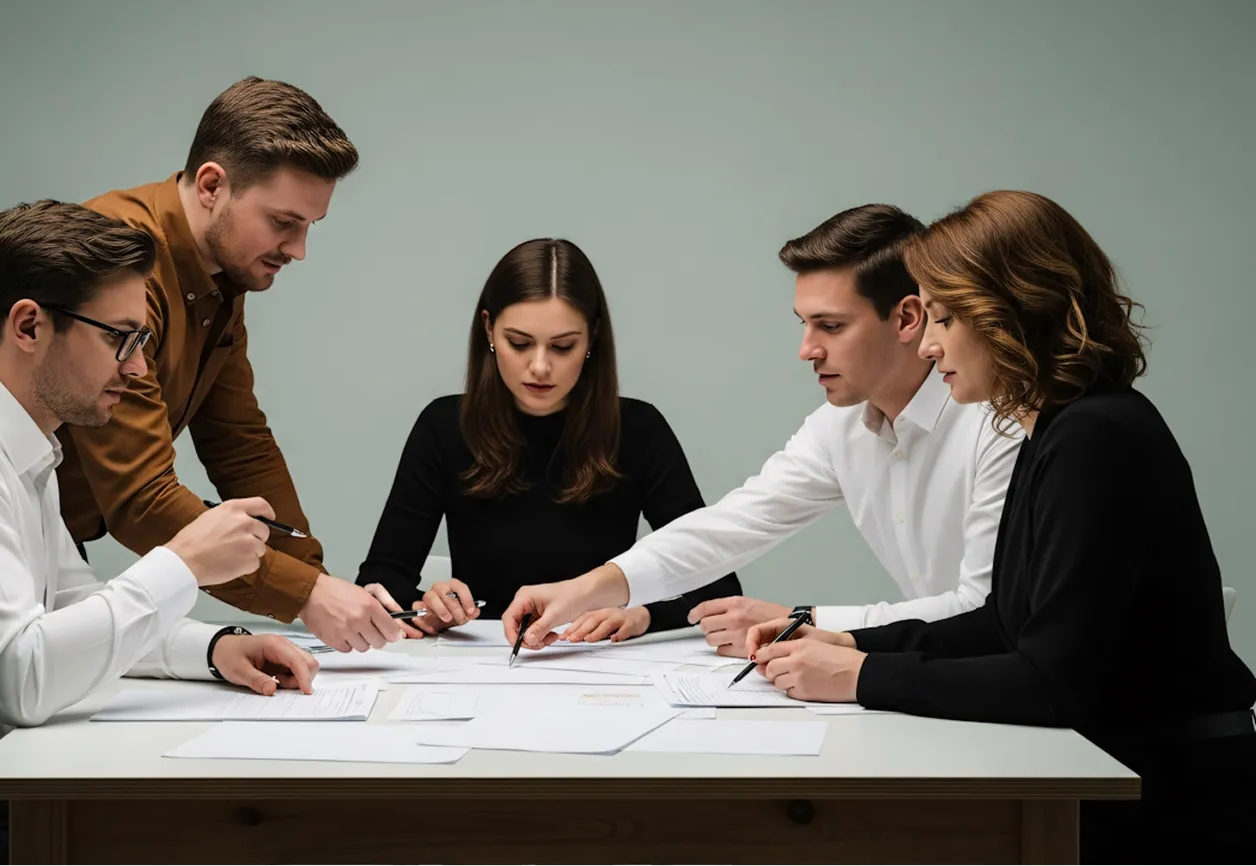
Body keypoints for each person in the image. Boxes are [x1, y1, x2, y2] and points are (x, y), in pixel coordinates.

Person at [741, 190, 1256, 862]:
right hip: (1124, 774)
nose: (927, 343)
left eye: (945, 318)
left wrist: (860, 675)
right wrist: (845, 638)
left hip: (1173, 801)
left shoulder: (1096, 437)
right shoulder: (1057, 427)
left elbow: (1050, 682)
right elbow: (1006, 621)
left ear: (1010, 314)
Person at [0, 201, 320, 866]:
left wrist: (215, 648)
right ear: (29, 325)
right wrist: (182, 562)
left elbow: (71, 613)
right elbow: (23, 677)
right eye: (122, 339)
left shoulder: (18, 443)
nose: (139, 370)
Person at [0, 76, 403, 653]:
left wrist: (319, 583)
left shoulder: (218, 271)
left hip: (51, 543)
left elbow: (239, 441)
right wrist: (306, 595)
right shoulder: (123, 273)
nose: (298, 250)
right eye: (283, 222)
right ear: (213, 185)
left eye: (309, 227)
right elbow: (140, 497)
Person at [501, 205, 1021, 652]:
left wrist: (804, 621)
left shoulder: (997, 422)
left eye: (831, 326)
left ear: (908, 319)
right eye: (805, 324)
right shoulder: (838, 428)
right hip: (931, 668)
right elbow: (730, 527)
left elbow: (983, 609)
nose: (807, 349)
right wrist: (583, 589)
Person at [356, 238, 738, 640]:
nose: (540, 366)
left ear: (592, 337)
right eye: (519, 343)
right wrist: (425, 607)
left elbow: (716, 585)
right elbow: (381, 581)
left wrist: (642, 614)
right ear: (488, 328)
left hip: (601, 663)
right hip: (481, 667)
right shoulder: (445, 425)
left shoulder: (639, 429)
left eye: (562, 346)